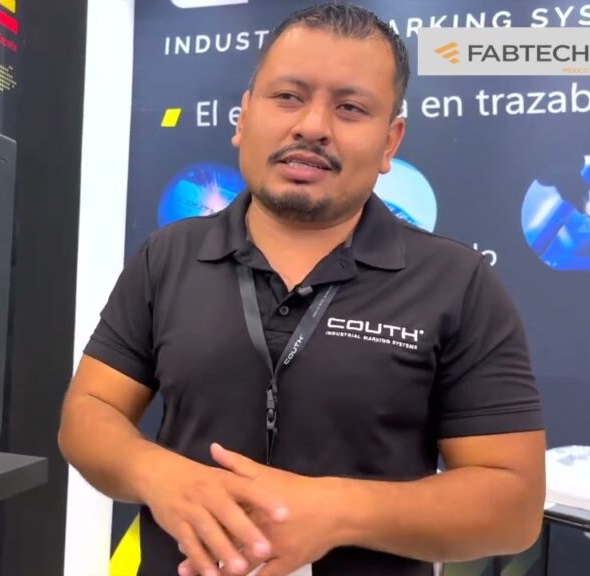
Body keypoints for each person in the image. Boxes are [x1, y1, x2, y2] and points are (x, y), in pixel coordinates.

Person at [58, 3, 546, 576]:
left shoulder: (457, 282)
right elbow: (88, 414)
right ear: (244, 117)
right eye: (288, 96)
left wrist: (337, 512)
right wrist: (157, 473)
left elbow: (513, 506)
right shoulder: (167, 256)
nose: (313, 126)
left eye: (350, 107)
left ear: (390, 142)